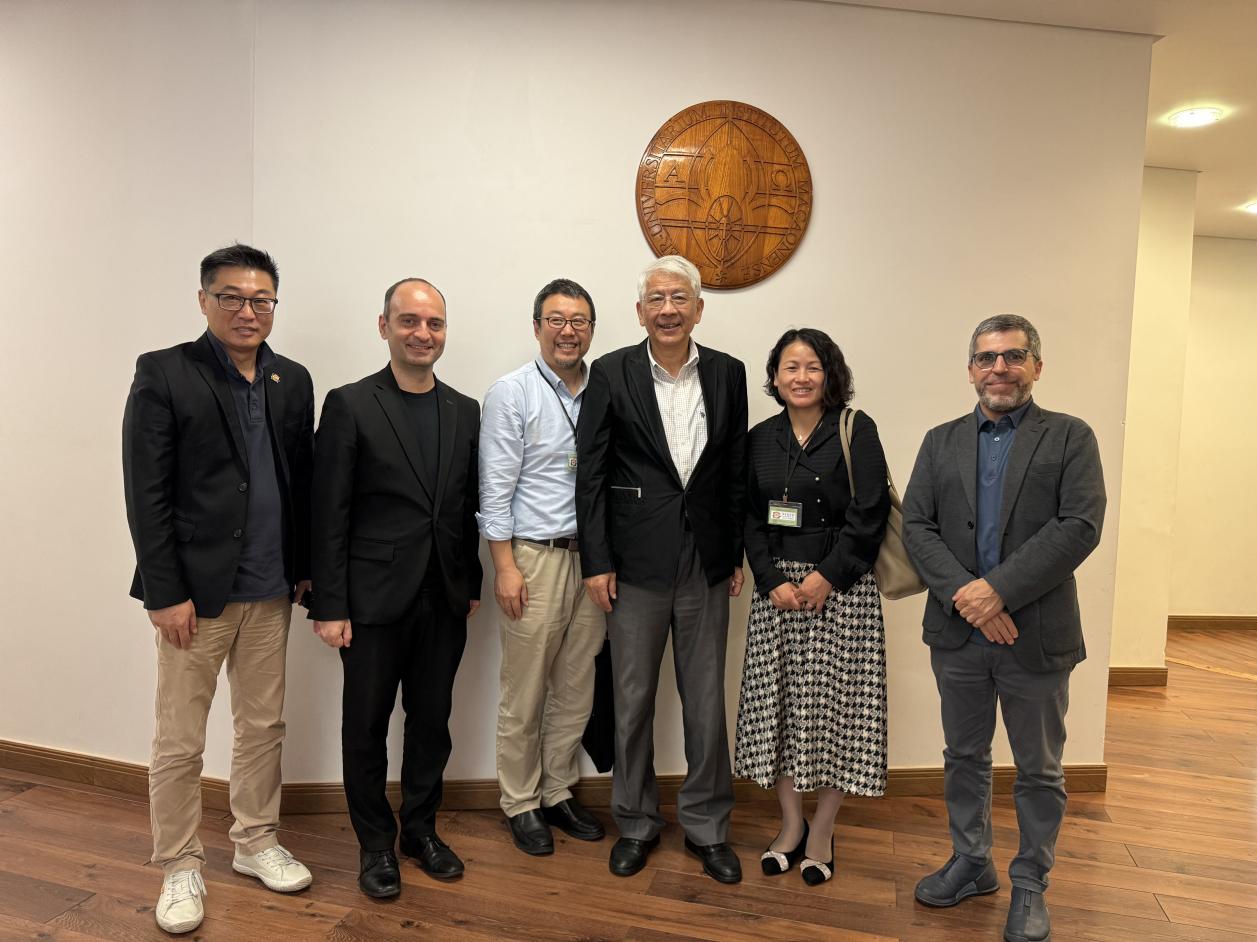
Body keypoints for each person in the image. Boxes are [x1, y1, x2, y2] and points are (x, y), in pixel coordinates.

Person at [122, 243, 315, 934]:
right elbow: (145, 492)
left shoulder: (292, 379)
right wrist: (163, 592)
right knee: (180, 738)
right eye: (231, 297)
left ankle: (255, 841)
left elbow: (301, 480)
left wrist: (304, 566)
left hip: (270, 589)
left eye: (261, 299)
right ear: (204, 300)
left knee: (263, 726)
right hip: (193, 597)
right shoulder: (165, 372)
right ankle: (178, 863)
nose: (247, 311)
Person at [902, 314, 1105, 942]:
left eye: (1014, 356)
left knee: (1039, 769)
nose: (999, 369)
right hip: (958, 634)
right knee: (964, 756)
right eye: (987, 358)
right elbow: (917, 527)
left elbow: (1079, 526)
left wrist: (998, 593)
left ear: (1036, 366)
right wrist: (970, 598)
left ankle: (1030, 883)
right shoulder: (940, 441)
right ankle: (971, 862)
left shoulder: (1070, 437)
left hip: (1035, 636)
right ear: (970, 369)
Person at [575, 255, 747, 884]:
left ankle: (707, 826)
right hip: (633, 562)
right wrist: (597, 561)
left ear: (698, 309)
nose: (668, 309)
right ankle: (636, 822)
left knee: (704, 701)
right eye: (657, 299)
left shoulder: (728, 372)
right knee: (631, 700)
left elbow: (733, 469)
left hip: (705, 559)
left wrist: (733, 551)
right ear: (640, 311)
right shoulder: (610, 371)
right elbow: (591, 473)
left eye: (679, 298)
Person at [310, 278, 482, 898]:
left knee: (432, 723)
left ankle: (420, 831)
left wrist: (470, 581)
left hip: (444, 598)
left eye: (434, 323)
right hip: (371, 601)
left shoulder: (465, 409)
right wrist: (329, 604)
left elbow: (465, 506)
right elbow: (327, 512)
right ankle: (376, 845)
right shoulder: (350, 404)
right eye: (409, 321)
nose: (422, 333)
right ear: (384, 327)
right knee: (366, 727)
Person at [735, 328, 890, 887]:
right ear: (775, 377)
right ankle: (791, 824)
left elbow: (870, 513)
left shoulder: (855, 428)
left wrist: (828, 576)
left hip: (842, 591)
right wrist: (770, 579)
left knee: (837, 716)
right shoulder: (759, 438)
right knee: (778, 712)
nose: (801, 377)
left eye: (813, 367)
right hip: (778, 594)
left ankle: (823, 829)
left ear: (830, 374)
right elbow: (749, 517)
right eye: (790, 367)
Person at [477, 278, 608, 855]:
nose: (568, 331)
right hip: (533, 557)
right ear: (537, 328)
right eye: (556, 320)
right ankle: (520, 800)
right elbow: (494, 488)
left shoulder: (605, 390)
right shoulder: (513, 393)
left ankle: (557, 790)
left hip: (594, 561)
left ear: (592, 331)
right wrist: (504, 567)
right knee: (525, 690)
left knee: (576, 687)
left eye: (579, 321)